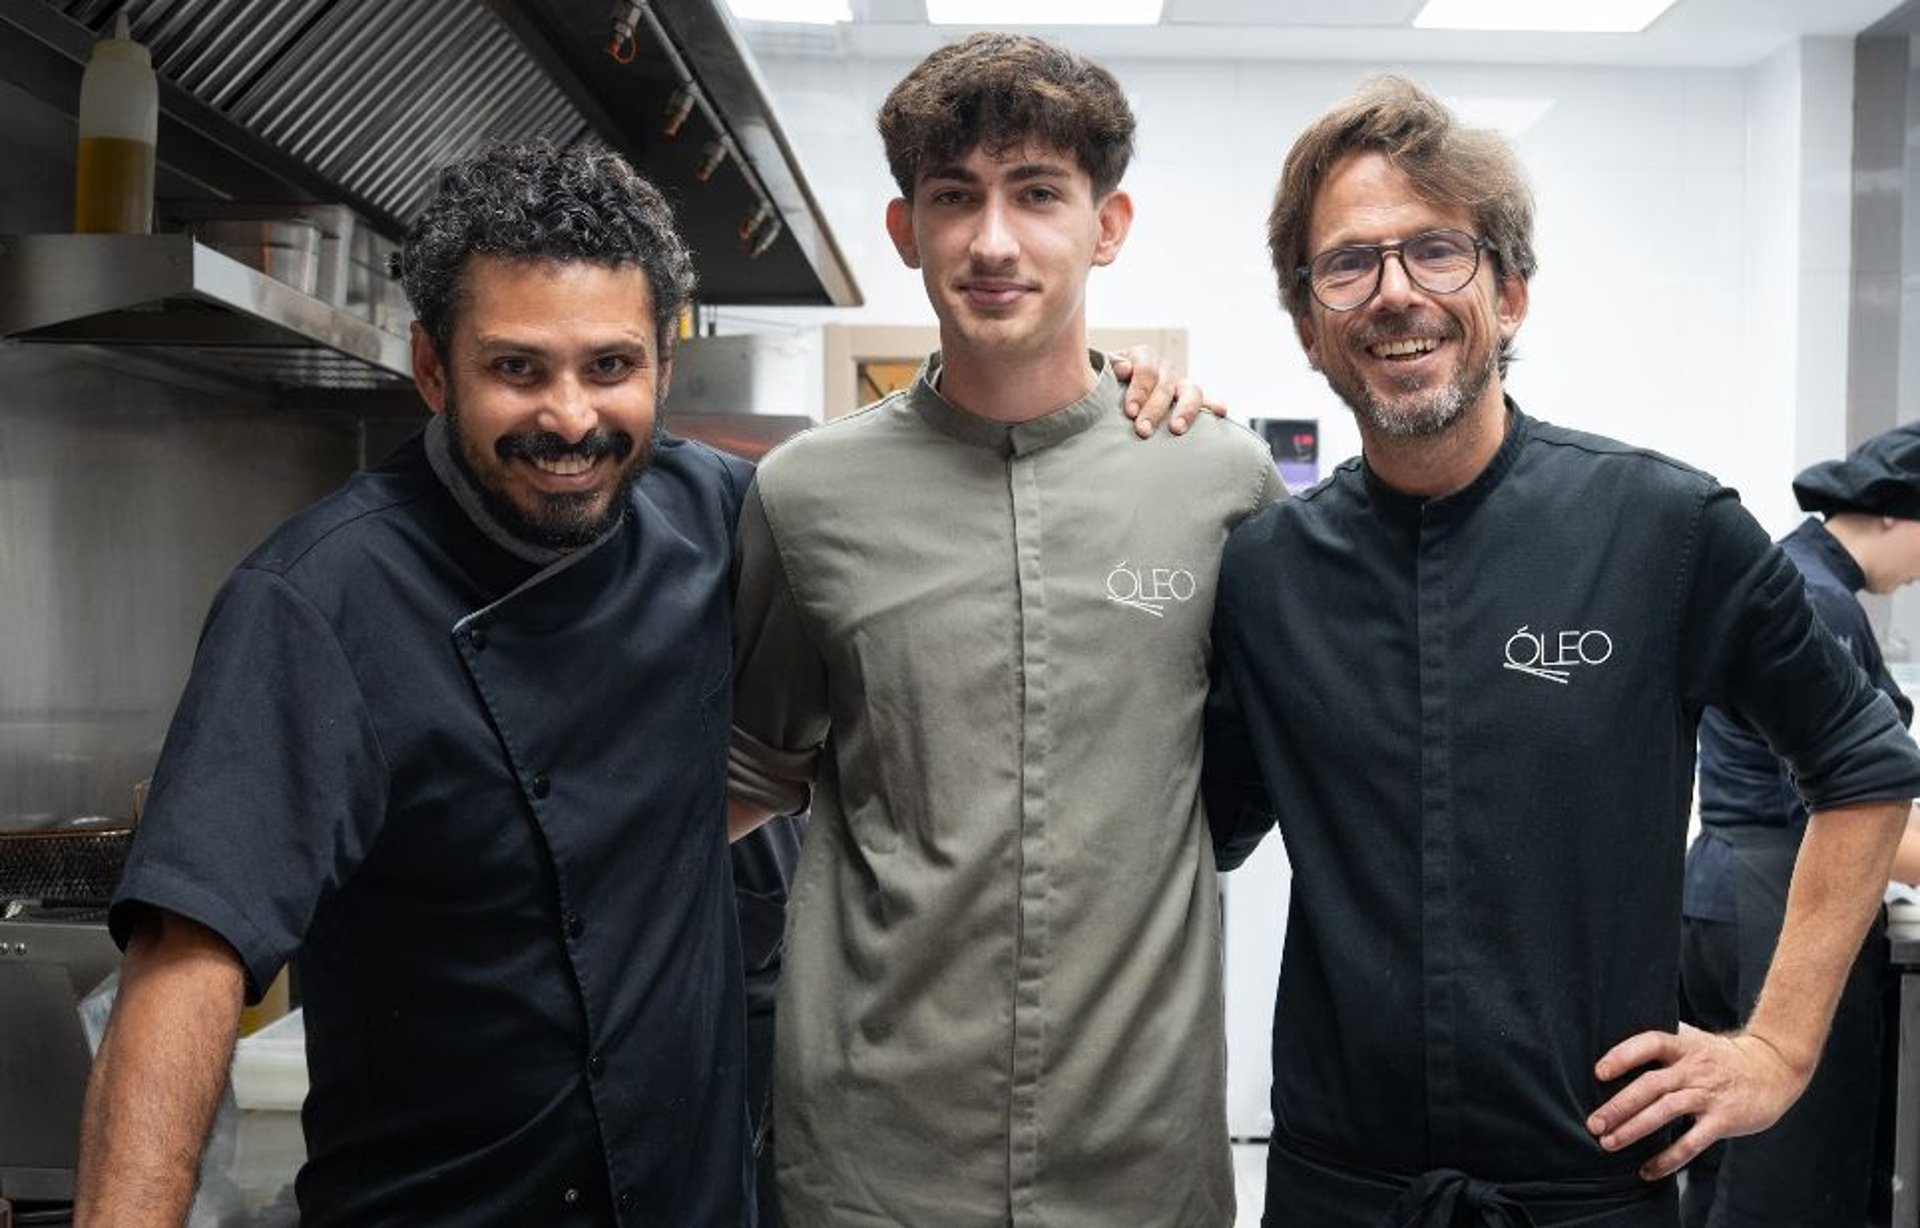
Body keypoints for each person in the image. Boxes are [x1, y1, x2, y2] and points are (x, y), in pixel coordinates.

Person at [1201, 74, 1920, 1227]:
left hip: (1587, 1182)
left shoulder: (1664, 530)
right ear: (1307, 326)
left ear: (1512, 292)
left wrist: (1776, 1048)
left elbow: (1865, 762)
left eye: (1437, 252)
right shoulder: (1268, 574)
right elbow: (1206, 825)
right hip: (1339, 1186)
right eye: (1349, 265)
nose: (1396, 294)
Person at [73, 141, 761, 1226]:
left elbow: (933, 516)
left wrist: (1112, 406)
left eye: (611, 367)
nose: (572, 419)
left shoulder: (724, 518)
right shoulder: (314, 602)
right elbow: (188, 958)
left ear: (663, 370)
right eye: (519, 369)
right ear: (432, 369)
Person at [726, 32, 1283, 1228]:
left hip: (1139, 1153)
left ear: (1108, 223)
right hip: (874, 1156)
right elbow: (747, 773)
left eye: (1037, 194)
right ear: (904, 231)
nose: (991, 241)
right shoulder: (806, 496)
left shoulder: (1217, 482)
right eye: (953, 198)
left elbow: (1275, 761)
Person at [1680, 423, 1920, 1228]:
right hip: (1777, 898)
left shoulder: (1796, 575)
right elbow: (1851, 805)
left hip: (1728, 892)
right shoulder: (1816, 596)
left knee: (1729, 1167)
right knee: (1788, 1178)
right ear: (1887, 512)